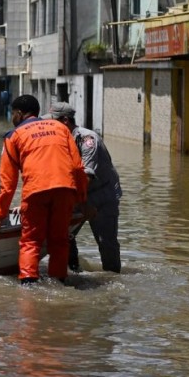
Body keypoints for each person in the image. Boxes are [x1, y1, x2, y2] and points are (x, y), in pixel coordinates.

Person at [0, 94, 87, 285]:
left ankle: (29, 284)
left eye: (12, 114)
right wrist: (81, 200)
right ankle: (59, 282)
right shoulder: (60, 128)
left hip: (36, 191)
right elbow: (77, 167)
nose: (12, 118)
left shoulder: (13, 136)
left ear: (19, 113)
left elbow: (8, 183)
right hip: (65, 190)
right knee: (59, 240)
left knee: (31, 241)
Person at [51, 103, 122, 273]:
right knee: (66, 235)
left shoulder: (88, 139)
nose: (51, 126)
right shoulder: (61, 140)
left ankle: (112, 278)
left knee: (106, 242)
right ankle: (74, 271)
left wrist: (80, 204)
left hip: (102, 194)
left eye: (54, 122)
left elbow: (86, 177)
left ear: (65, 121)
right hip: (78, 194)